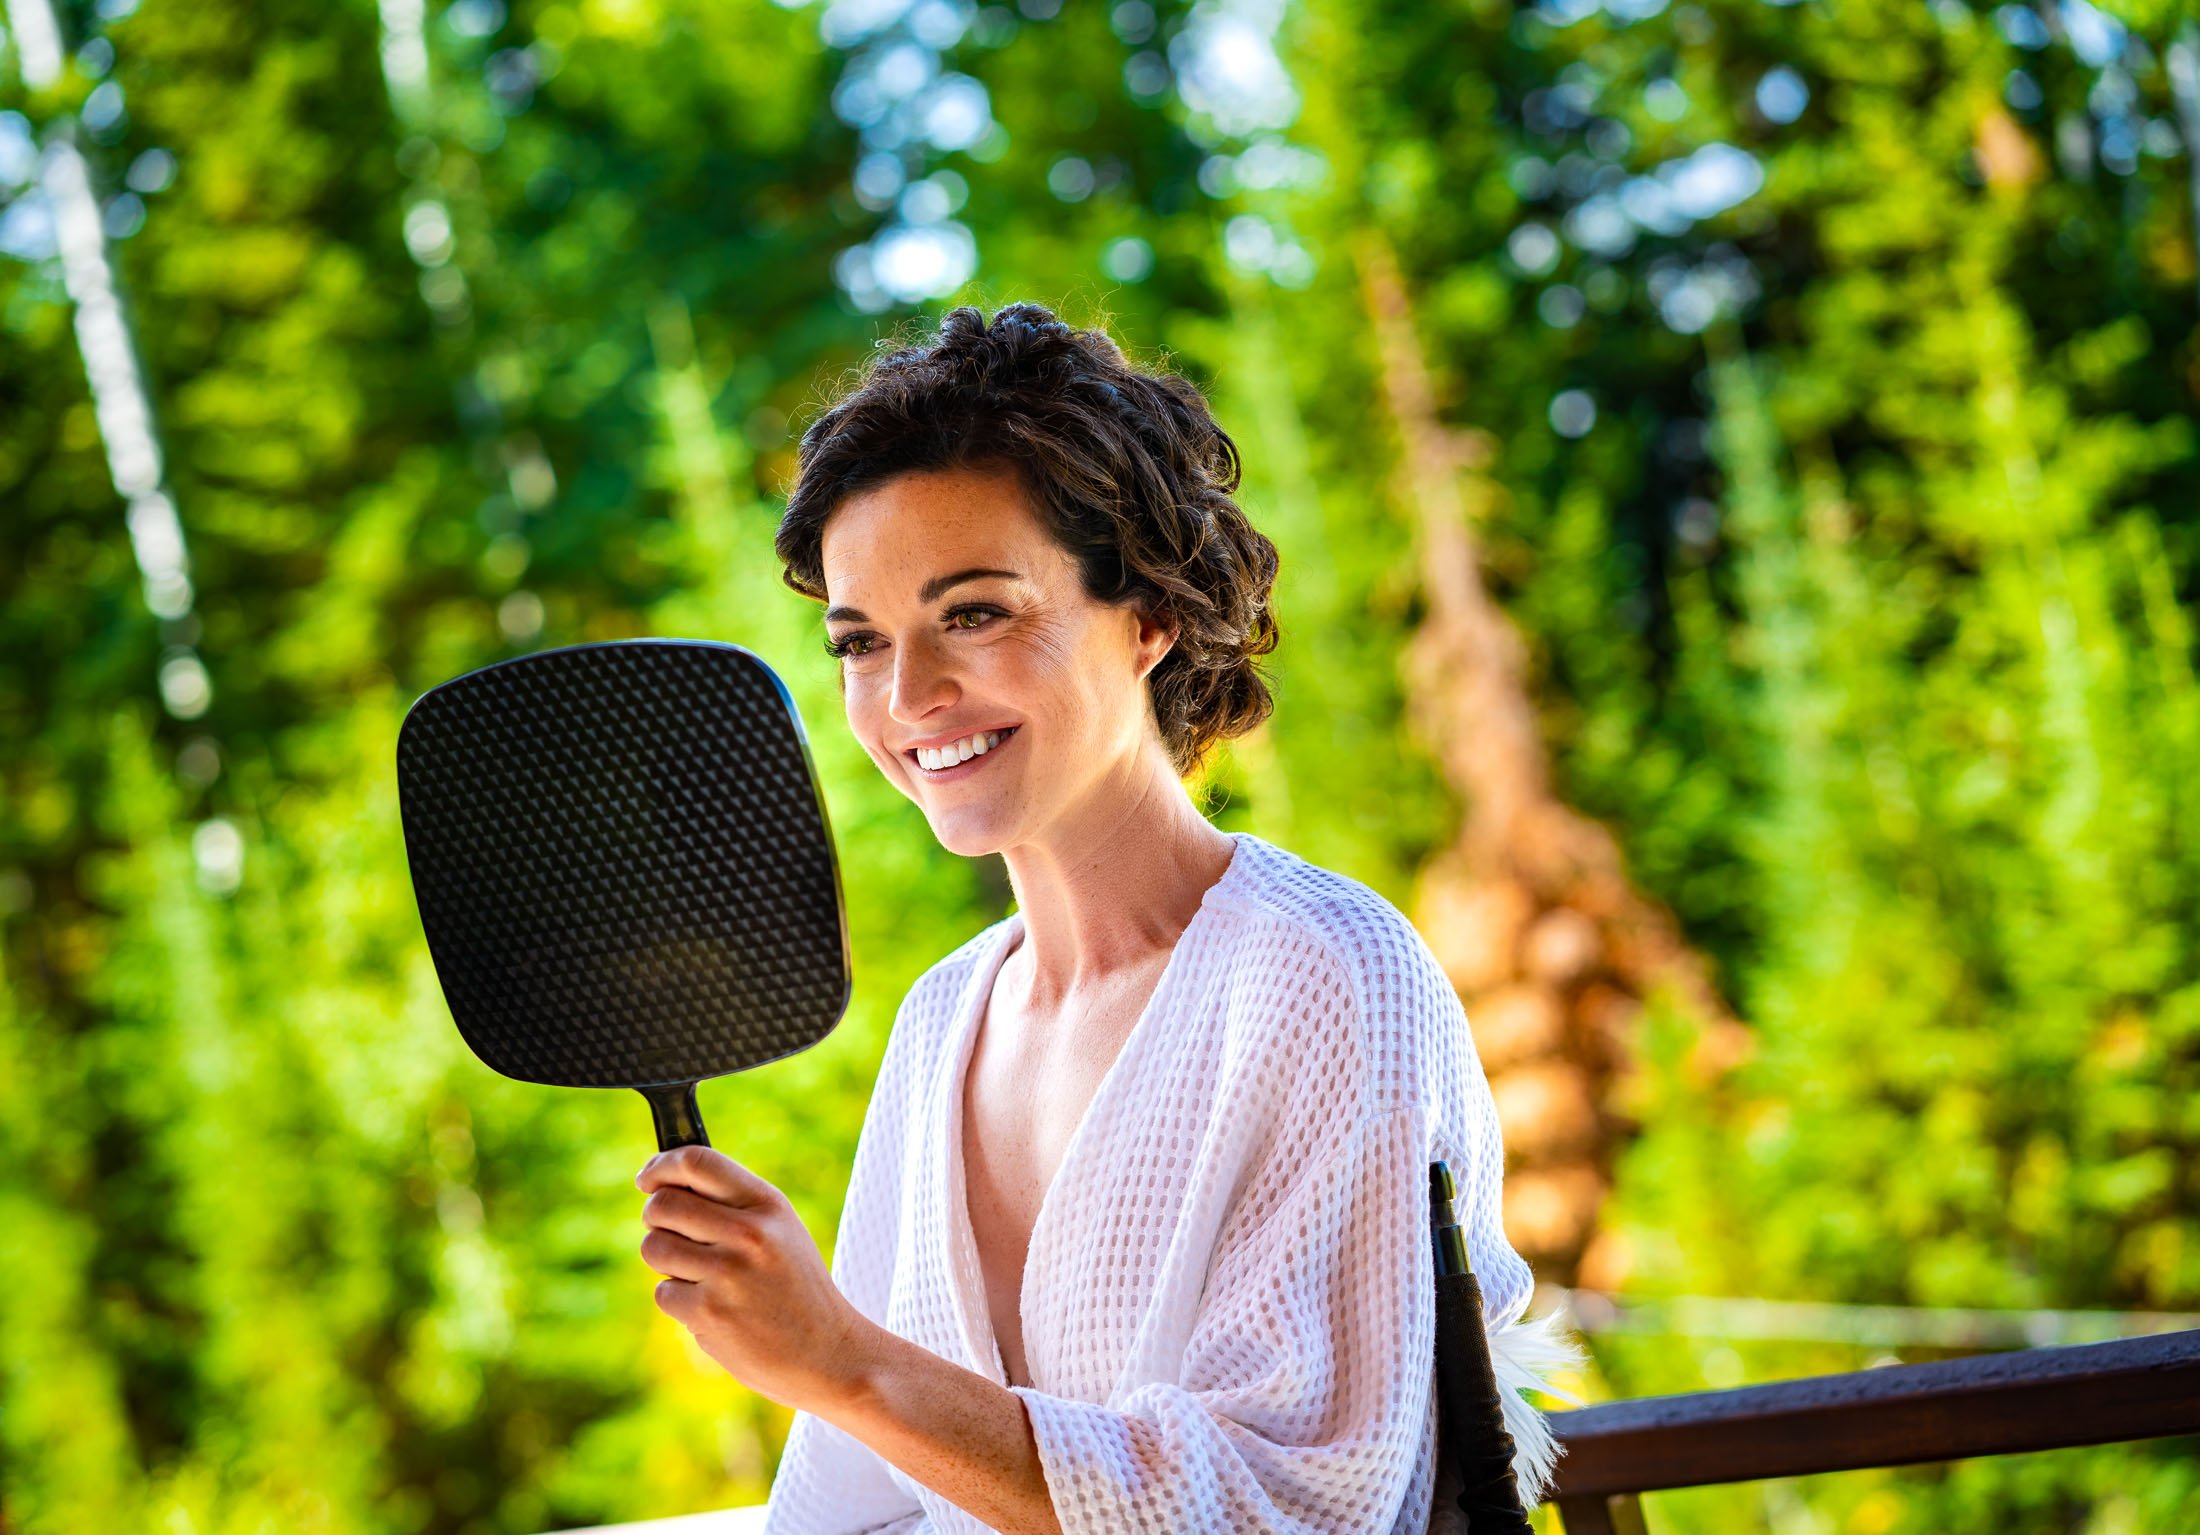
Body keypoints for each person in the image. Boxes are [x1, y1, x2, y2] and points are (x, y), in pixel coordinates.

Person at [634, 301, 1567, 1534]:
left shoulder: (1324, 974)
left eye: (973, 611)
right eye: (860, 642)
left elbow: (1302, 1508)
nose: (908, 696)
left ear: (1149, 616)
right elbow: (851, 1506)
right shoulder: (942, 1024)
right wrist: (824, 1366)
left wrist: (844, 1361)